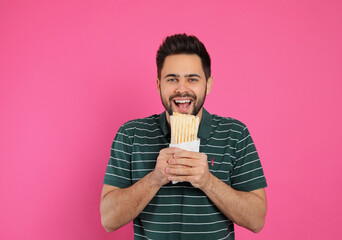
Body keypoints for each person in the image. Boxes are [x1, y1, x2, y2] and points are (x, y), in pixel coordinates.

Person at [100, 34, 268, 240]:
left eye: (192, 79)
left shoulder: (235, 134)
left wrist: (208, 182)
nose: (181, 89)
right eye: (172, 79)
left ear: (208, 84)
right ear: (158, 84)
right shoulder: (131, 134)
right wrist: (155, 179)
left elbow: (257, 220)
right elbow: (108, 220)